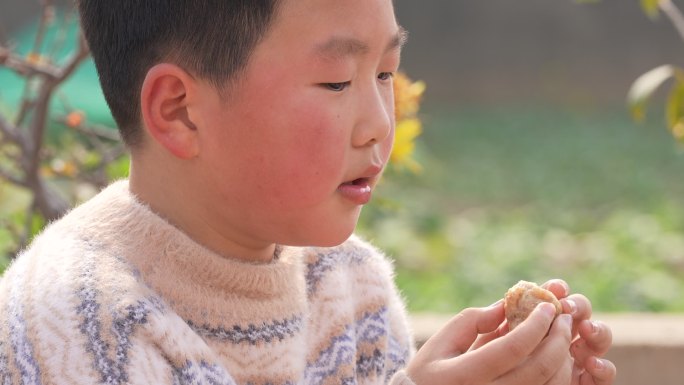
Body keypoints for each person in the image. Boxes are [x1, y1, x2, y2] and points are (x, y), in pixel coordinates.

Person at [0, 0, 616, 384]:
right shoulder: (75, 323)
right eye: (336, 80)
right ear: (181, 111)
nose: (380, 121)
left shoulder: (349, 289)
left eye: (384, 73)